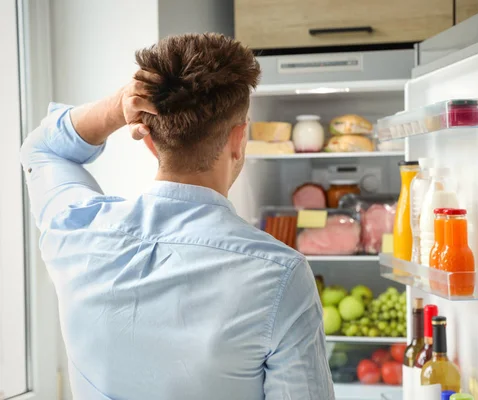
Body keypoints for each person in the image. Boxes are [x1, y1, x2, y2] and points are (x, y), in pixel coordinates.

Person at [21, 33, 334, 400]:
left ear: (149, 139)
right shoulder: (280, 274)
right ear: (238, 140)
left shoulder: (76, 229)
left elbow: (41, 149)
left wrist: (114, 108)